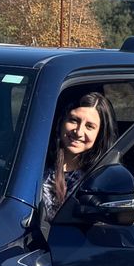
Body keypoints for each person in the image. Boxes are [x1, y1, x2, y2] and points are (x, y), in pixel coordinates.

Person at [41, 91, 116, 226]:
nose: (79, 132)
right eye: (74, 120)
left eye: (89, 126)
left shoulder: (101, 178)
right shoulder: (36, 162)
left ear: (100, 134)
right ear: (61, 121)